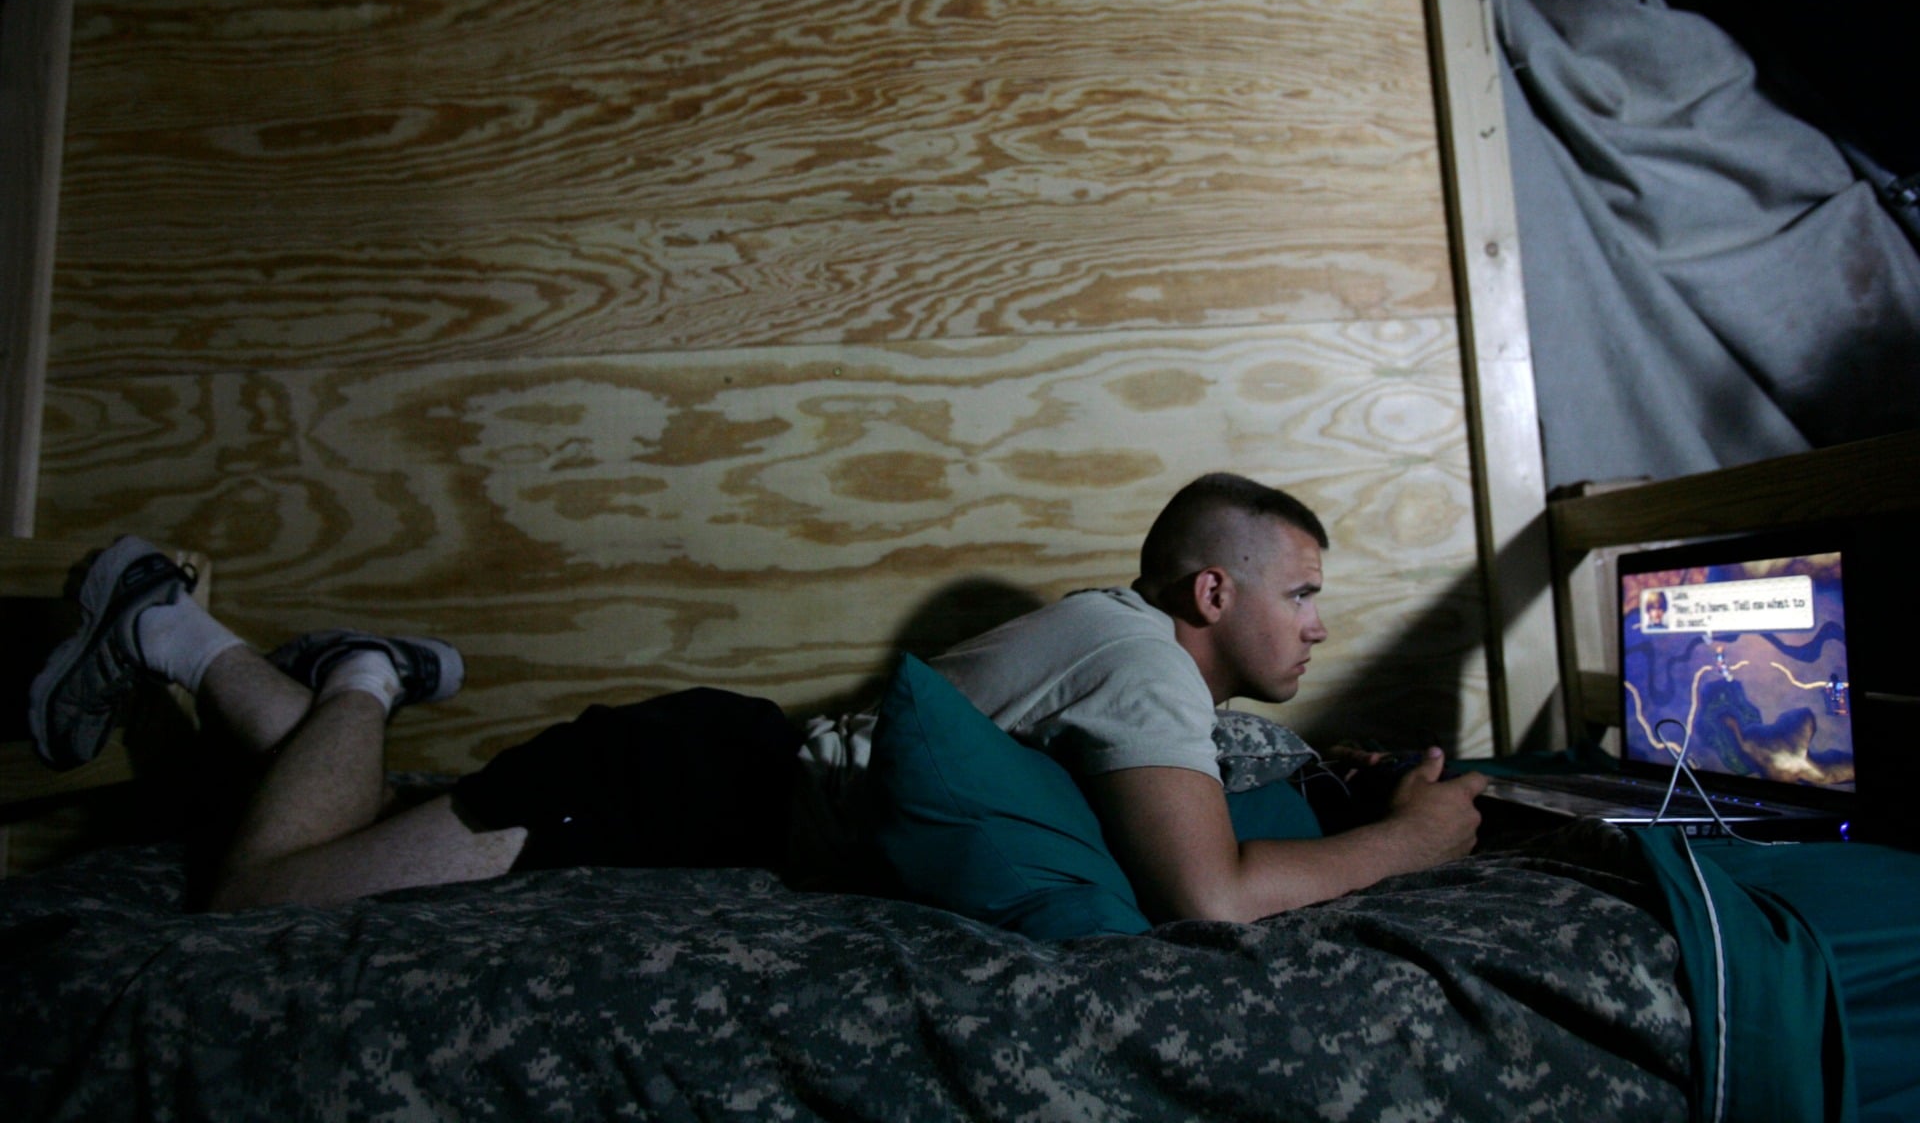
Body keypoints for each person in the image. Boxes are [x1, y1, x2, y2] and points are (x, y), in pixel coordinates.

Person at [27, 473, 1485, 921]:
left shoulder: (1125, 647)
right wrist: (1412, 844)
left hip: (708, 773)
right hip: (681, 780)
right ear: (1211, 596)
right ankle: (346, 669)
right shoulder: (1141, 666)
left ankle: (237, 668)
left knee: (334, 850)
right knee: (262, 906)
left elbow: (1200, 797)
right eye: (1301, 592)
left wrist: (1345, 778)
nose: (1319, 620)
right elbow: (1207, 899)